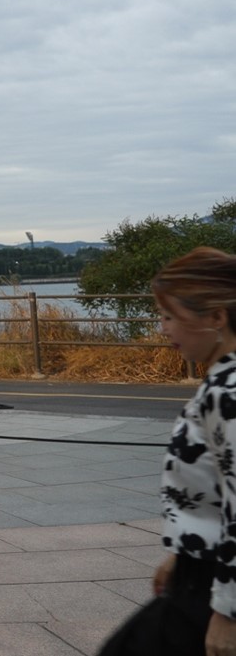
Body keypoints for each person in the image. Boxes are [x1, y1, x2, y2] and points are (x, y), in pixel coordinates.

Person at [100, 248, 236, 656]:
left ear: (216, 317)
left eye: (170, 316)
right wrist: (180, 554)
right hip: (199, 574)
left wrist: (228, 613)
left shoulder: (225, 392)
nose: (163, 329)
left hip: (214, 586)